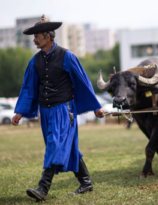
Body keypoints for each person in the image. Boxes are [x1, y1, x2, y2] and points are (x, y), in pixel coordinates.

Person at [11, 15, 105, 202]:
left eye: (37, 36)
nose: (34, 39)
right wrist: (20, 111)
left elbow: (83, 82)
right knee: (65, 147)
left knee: (55, 145)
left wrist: (96, 107)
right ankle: (86, 182)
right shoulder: (34, 61)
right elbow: (28, 87)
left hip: (64, 110)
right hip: (45, 112)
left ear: (48, 36)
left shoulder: (67, 56)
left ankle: (42, 188)